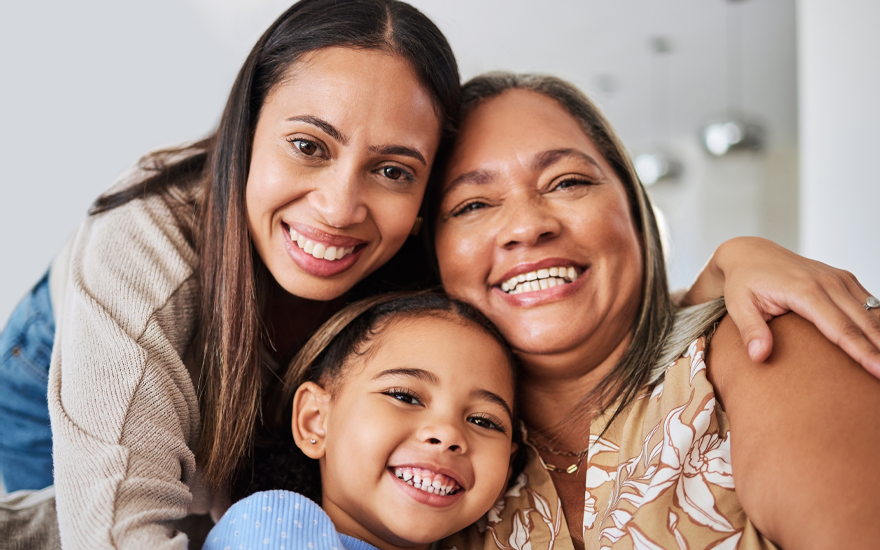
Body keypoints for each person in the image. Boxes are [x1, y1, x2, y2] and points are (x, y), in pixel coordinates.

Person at [0, 0, 877, 548]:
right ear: (244, 137)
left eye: (393, 169)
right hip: (71, 386)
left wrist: (724, 269)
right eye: (308, 144)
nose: (341, 206)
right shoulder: (148, 245)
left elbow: (597, 320)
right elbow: (112, 528)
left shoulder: (444, 301)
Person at [431, 73, 880, 549]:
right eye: (472, 204)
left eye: (567, 182)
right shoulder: (426, 452)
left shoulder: (759, 341)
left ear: (635, 209)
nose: (526, 225)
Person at [205, 291, 521, 550]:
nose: (448, 433)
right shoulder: (275, 524)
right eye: (405, 397)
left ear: (507, 467)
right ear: (315, 421)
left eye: (484, 421)